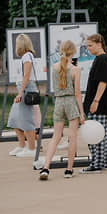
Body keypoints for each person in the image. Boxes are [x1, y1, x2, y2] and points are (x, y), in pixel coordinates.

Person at [38, 41, 84, 180]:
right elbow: (77, 93)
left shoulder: (54, 67)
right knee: (72, 137)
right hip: (70, 102)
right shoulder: (76, 69)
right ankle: (69, 170)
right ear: (73, 52)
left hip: (58, 102)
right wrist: (81, 113)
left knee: (56, 136)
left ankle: (45, 167)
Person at [82, 34, 107, 173]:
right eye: (87, 45)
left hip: (98, 103)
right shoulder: (102, 59)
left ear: (99, 44)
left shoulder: (101, 59)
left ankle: (97, 163)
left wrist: (95, 101)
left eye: (90, 45)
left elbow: (103, 82)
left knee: (95, 133)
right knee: (103, 133)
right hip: (100, 102)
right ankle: (104, 160)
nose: (88, 48)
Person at [8, 34, 41, 158]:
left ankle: (31, 148)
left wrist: (20, 93)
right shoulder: (25, 57)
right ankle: (22, 145)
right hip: (23, 89)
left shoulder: (27, 56)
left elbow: (26, 76)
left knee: (26, 120)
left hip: (26, 90)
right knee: (14, 119)